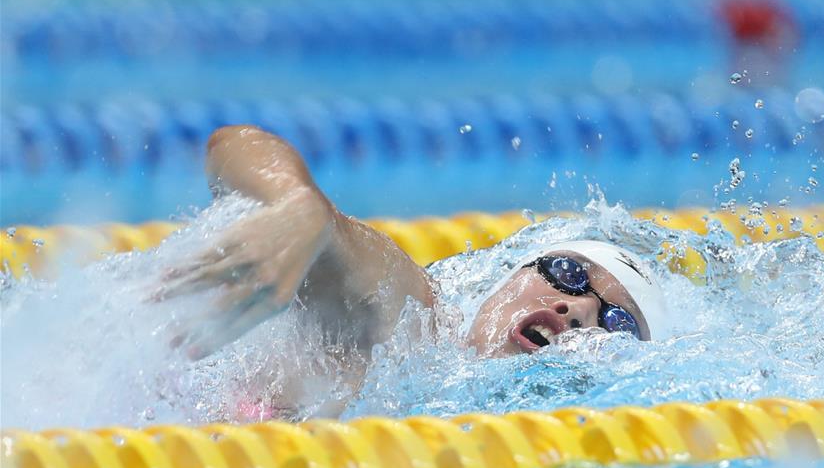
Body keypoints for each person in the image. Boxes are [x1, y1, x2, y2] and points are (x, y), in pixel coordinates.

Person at [160, 126, 667, 413]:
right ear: (512, 274)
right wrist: (299, 209)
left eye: (617, 323)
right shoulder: (413, 330)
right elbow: (233, 145)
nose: (577, 308)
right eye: (568, 273)